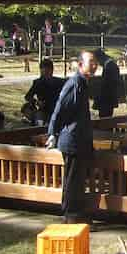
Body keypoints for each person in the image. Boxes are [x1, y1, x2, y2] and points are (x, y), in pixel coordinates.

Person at [47, 50, 99, 223]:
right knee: (72, 179)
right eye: (90, 61)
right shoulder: (74, 83)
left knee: (77, 179)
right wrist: (52, 133)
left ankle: (76, 212)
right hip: (72, 139)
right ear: (80, 64)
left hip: (80, 139)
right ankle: (71, 215)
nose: (94, 64)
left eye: (95, 62)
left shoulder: (84, 83)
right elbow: (60, 108)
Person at [22, 58, 65, 126]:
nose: (44, 75)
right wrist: (37, 102)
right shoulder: (38, 83)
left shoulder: (60, 82)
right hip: (43, 110)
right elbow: (28, 96)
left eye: (46, 72)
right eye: (42, 72)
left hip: (57, 110)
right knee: (39, 119)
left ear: (51, 71)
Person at [91, 48, 122, 118]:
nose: (98, 64)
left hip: (106, 101)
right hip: (108, 100)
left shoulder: (110, 67)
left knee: (105, 119)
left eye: (97, 61)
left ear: (100, 58)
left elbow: (106, 86)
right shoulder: (110, 66)